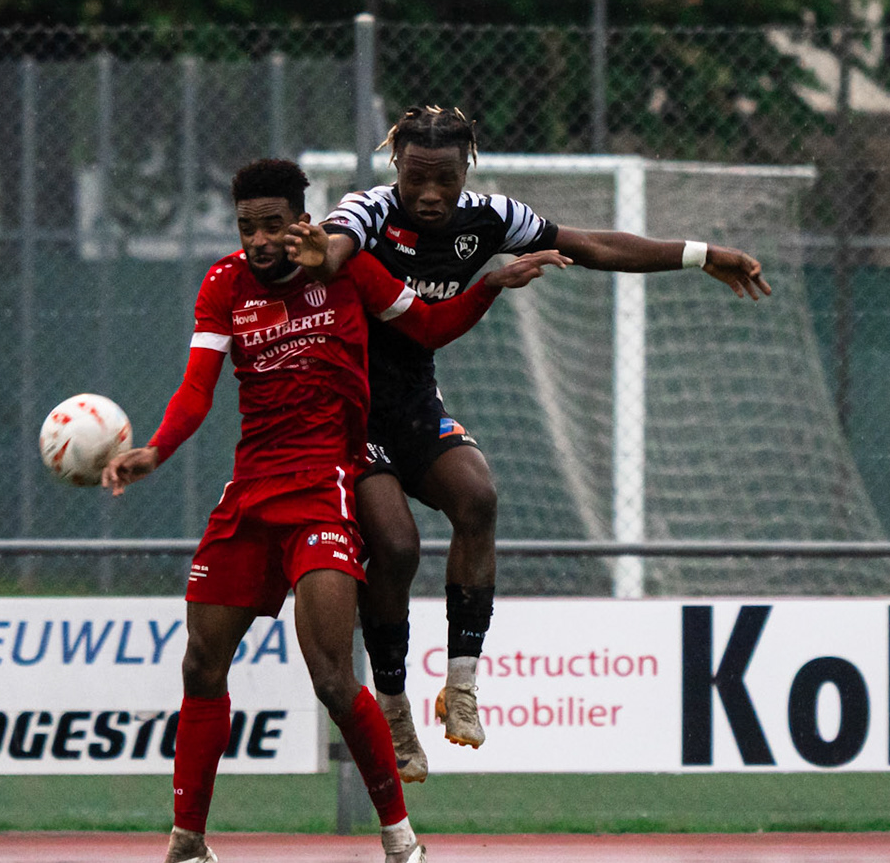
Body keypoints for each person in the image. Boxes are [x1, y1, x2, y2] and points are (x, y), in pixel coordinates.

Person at [104, 157, 564, 863]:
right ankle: (189, 846)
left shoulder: (350, 270)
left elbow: (427, 326)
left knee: (326, 674)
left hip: (326, 488)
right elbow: (196, 388)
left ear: (300, 217)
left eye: (273, 223)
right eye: (246, 225)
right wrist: (156, 448)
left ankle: (399, 842)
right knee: (200, 665)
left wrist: (486, 285)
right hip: (251, 493)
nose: (259, 238)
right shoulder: (224, 284)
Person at [317, 105, 772, 779]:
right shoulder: (368, 212)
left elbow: (593, 245)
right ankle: (392, 707)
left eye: (445, 179)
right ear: (397, 169)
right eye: (418, 180)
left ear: (466, 167)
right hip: (349, 414)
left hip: (414, 406)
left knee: (477, 497)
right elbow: (330, 248)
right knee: (396, 545)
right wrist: (302, 255)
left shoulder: (492, 218)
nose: (431, 194)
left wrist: (700, 254)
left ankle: (462, 685)